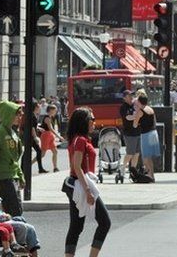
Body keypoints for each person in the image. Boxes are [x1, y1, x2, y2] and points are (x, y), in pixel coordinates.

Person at [63, 107, 111, 257]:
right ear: (84, 122)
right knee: (105, 222)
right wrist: (88, 191)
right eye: (92, 119)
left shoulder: (79, 139)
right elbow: (76, 166)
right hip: (80, 184)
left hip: (77, 183)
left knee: (76, 227)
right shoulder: (81, 140)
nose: (94, 122)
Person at [0, 179, 41, 256]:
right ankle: (18, 248)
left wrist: (6, 215)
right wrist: (3, 217)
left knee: (22, 221)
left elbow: (0, 212)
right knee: (24, 227)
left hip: (3, 221)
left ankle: (30, 250)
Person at [133, 91, 160, 182]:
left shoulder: (140, 111)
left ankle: (149, 175)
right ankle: (152, 175)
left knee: (145, 157)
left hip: (146, 134)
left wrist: (135, 117)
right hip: (154, 133)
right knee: (149, 157)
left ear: (140, 102)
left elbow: (135, 125)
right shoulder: (150, 108)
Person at [119, 90, 141, 174]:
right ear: (124, 98)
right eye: (129, 95)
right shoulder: (123, 107)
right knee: (130, 153)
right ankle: (123, 167)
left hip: (138, 131)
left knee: (137, 153)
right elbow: (128, 117)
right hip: (129, 133)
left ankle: (133, 170)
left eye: (132, 95)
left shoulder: (134, 105)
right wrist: (137, 116)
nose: (131, 97)